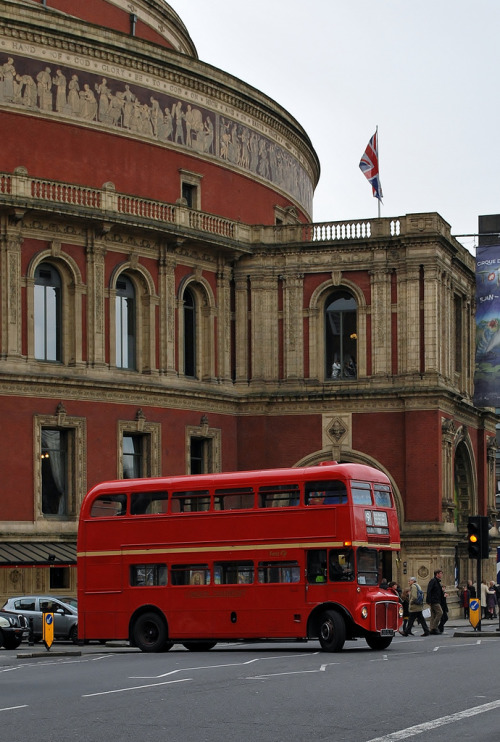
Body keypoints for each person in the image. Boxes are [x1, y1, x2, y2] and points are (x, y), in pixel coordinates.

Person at [426, 568, 445, 634]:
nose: (441, 575)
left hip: (436, 600)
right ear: (437, 574)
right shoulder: (433, 581)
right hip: (434, 601)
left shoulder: (437, 581)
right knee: (440, 613)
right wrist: (428, 600)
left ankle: (431, 629)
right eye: (440, 573)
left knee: (433, 615)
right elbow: (429, 590)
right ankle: (434, 627)